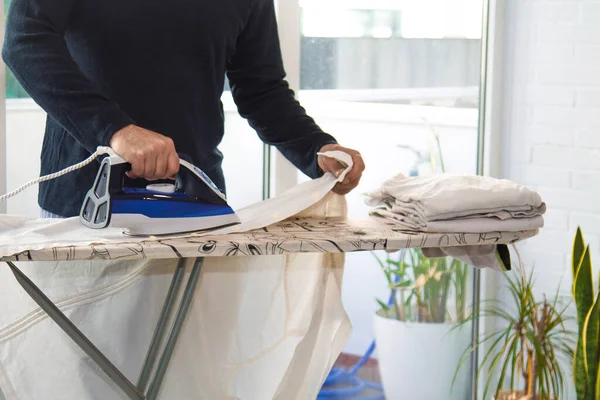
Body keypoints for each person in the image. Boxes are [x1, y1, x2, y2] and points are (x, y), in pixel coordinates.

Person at [2, 0, 365, 218]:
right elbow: (24, 42)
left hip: (196, 203)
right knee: (81, 348)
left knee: (193, 347)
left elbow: (261, 88)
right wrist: (117, 131)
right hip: (84, 205)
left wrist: (315, 147)